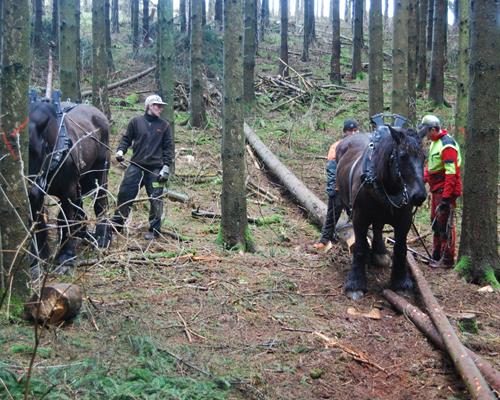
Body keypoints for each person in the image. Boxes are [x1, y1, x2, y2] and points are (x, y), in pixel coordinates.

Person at [112, 95, 173, 240]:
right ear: (149, 106)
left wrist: (166, 167)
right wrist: (121, 151)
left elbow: (168, 148)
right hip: (136, 167)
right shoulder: (135, 122)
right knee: (125, 193)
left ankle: (155, 230)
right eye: (158, 105)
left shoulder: (164, 125)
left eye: (161, 105)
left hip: (156, 171)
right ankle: (117, 224)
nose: (161, 108)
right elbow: (126, 139)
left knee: (156, 197)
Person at [420, 115, 462, 268]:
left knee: (445, 226)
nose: (425, 135)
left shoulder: (447, 145)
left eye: (426, 131)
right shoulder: (435, 143)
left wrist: (446, 198)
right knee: (435, 222)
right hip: (436, 189)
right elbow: (431, 168)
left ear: (433, 129)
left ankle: (447, 260)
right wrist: (421, 179)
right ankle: (436, 254)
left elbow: (451, 174)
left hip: (445, 190)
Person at [313, 119, 359, 251]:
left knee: (358, 215)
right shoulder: (337, 146)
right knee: (332, 214)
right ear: (345, 132)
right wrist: (333, 187)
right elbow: (332, 168)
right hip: (339, 188)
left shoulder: (362, 146)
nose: (353, 133)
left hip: (355, 190)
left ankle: (361, 240)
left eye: (355, 130)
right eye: (351, 130)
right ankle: (324, 240)